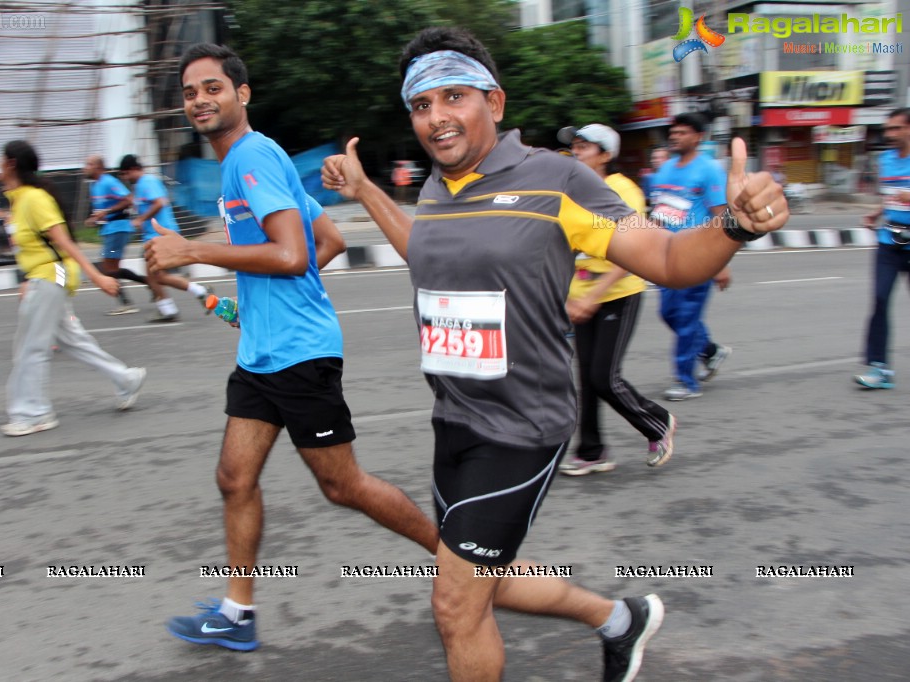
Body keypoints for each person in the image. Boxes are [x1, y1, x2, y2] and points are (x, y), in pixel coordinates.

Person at [322, 26, 787, 682]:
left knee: (455, 603)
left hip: (520, 426)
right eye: (420, 106)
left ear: (496, 103)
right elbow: (423, 250)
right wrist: (368, 191)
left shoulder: (556, 180)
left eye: (453, 96)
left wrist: (734, 224)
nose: (435, 118)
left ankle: (614, 622)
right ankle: (618, 620)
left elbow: (665, 256)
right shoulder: (435, 189)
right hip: (453, 422)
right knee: (488, 580)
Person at [148, 43, 439, 652]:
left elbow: (293, 253)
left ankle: (458, 560)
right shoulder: (254, 161)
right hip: (264, 351)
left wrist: (191, 251)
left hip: (300, 356)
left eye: (212, 88)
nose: (199, 99)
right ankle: (237, 612)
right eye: (190, 92)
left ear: (241, 95)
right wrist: (259, 306)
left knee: (344, 486)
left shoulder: (250, 156)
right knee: (234, 477)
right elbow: (326, 238)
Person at [0, 140, 146, 436]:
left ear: (11, 163)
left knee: (31, 347)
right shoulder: (19, 199)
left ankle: (35, 413)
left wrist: (98, 276)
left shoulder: (34, 199)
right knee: (72, 341)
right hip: (43, 276)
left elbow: (63, 241)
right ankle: (126, 379)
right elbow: (33, 246)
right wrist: (27, 279)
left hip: (51, 276)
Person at [556, 123, 675, 475]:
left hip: (617, 295)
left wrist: (592, 296)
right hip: (581, 299)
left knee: (604, 377)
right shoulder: (571, 191)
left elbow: (634, 254)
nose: (576, 151)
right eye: (574, 145)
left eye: (584, 146)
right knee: (587, 381)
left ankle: (658, 422)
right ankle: (591, 451)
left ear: (606, 155)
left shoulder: (624, 191)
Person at [648, 114, 733, 401]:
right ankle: (710, 351)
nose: (675, 137)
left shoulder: (709, 170)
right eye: (673, 132)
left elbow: (721, 217)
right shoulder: (665, 169)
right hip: (666, 255)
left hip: (698, 255)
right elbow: (659, 212)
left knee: (685, 318)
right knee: (668, 313)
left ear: (698, 137)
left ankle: (686, 382)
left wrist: (720, 262)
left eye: (682, 132)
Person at [117, 154, 213, 322]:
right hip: (152, 236)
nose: (125, 178)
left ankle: (170, 308)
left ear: (133, 169)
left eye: (125, 174)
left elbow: (160, 203)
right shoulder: (140, 186)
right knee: (156, 276)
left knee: (153, 275)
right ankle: (195, 294)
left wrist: (141, 219)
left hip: (159, 234)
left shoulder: (148, 182)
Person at [856, 107, 910, 389]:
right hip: (889, 241)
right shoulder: (886, 160)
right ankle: (879, 368)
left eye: (896, 129)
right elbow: (892, 197)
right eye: (888, 129)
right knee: (879, 300)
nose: (889, 134)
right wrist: (877, 212)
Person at [83, 155, 149, 316]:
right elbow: (103, 209)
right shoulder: (95, 185)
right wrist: (95, 218)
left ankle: (126, 303)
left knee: (109, 267)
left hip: (118, 229)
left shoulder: (108, 182)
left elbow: (128, 200)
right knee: (111, 267)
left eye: (89, 164)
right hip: (109, 229)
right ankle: (150, 284)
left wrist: (106, 212)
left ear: (98, 167)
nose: (85, 167)